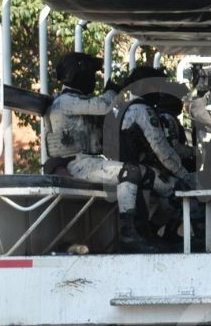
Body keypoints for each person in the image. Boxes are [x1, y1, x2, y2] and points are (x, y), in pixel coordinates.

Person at [43, 52, 152, 251]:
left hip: (89, 162)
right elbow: (102, 106)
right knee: (130, 173)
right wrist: (111, 91)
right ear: (77, 74)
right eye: (91, 74)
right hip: (75, 164)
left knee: (146, 174)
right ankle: (128, 234)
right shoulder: (65, 101)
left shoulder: (79, 101)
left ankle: (144, 230)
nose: (93, 79)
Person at [118, 66, 197, 251]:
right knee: (184, 190)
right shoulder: (144, 111)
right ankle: (155, 234)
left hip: (131, 171)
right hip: (142, 173)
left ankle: (150, 233)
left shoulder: (127, 109)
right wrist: (184, 175)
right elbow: (163, 151)